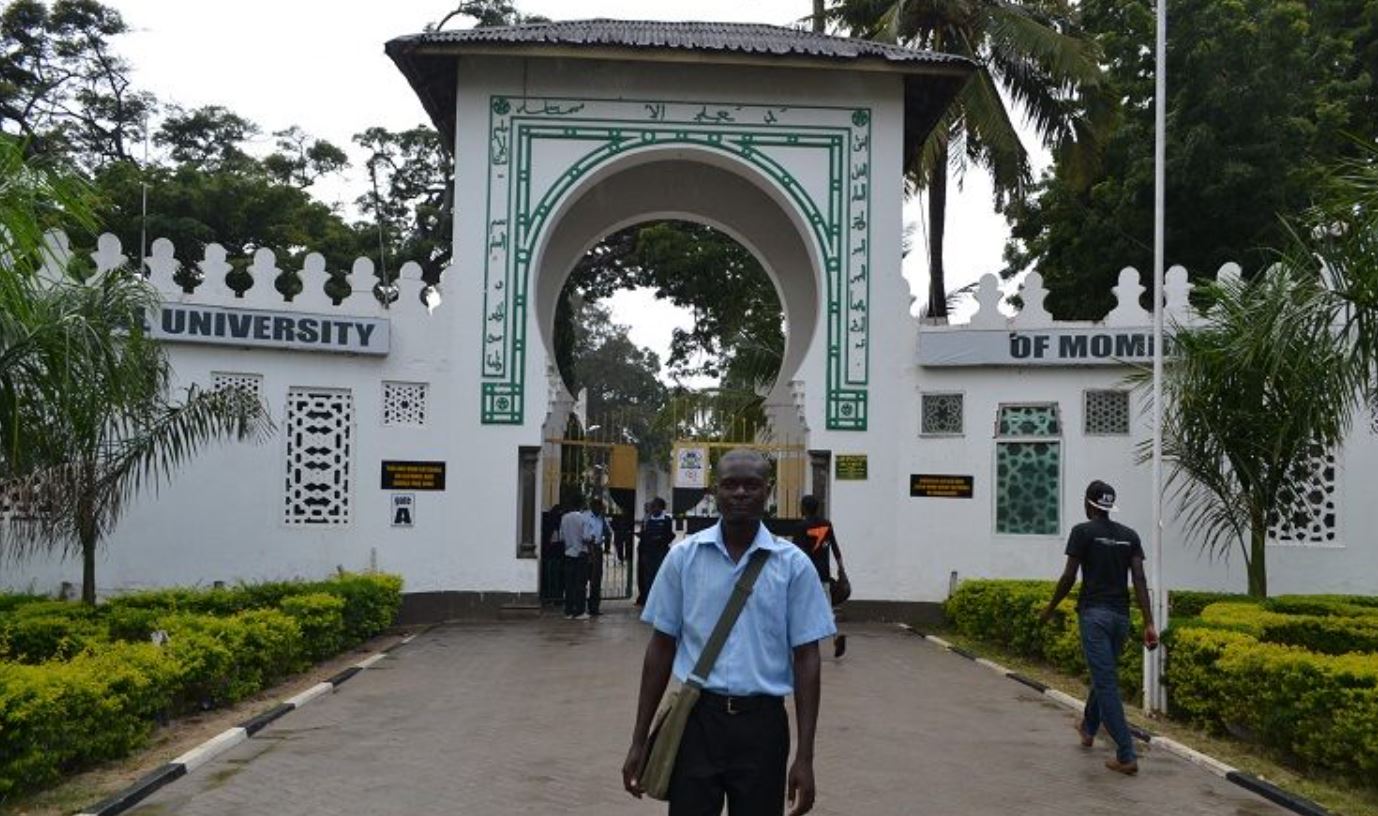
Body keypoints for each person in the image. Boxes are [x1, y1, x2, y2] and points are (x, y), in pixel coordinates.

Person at [622, 449, 835, 815]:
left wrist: (805, 756)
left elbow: (807, 658)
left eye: (751, 485)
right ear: (714, 491)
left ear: (767, 492)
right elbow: (660, 648)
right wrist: (639, 740)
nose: (740, 493)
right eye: (730, 484)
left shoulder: (794, 566)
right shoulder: (683, 558)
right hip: (696, 723)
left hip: (763, 727)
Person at [1039, 480, 1159, 775]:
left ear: (1089, 504)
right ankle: (1088, 726)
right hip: (1121, 618)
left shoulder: (1083, 532)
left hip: (1094, 616)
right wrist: (1148, 622)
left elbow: (1069, 576)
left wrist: (1050, 607)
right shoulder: (1129, 536)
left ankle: (1126, 754)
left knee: (1105, 682)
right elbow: (1140, 580)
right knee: (1103, 673)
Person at [793, 495, 847, 659]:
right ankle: (835, 637)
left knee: (799, 606)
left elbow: (796, 553)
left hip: (807, 575)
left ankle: (798, 642)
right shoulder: (827, 524)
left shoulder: (802, 526)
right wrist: (841, 569)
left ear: (804, 508)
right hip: (823, 574)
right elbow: (835, 548)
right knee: (826, 607)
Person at [560, 495, 598, 620]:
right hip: (581, 554)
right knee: (580, 584)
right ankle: (580, 611)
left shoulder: (564, 518)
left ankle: (568, 610)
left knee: (569, 583)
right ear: (582, 505)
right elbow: (586, 537)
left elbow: (562, 537)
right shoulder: (583, 519)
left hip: (569, 553)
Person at [635, 497, 675, 607]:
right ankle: (649, 602)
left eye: (654, 506)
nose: (652, 508)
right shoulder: (648, 520)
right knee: (648, 579)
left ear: (661, 508)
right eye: (652, 506)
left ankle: (661, 602)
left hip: (661, 554)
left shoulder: (667, 520)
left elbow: (670, 535)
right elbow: (645, 537)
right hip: (649, 554)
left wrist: (660, 541)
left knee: (661, 578)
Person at [586, 498, 612, 617]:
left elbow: (608, 533)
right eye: (599, 507)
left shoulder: (602, 519)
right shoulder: (586, 517)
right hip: (586, 548)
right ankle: (580, 606)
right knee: (584, 578)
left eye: (602, 508)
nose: (600, 510)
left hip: (597, 549)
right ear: (592, 507)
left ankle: (594, 607)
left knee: (596, 580)